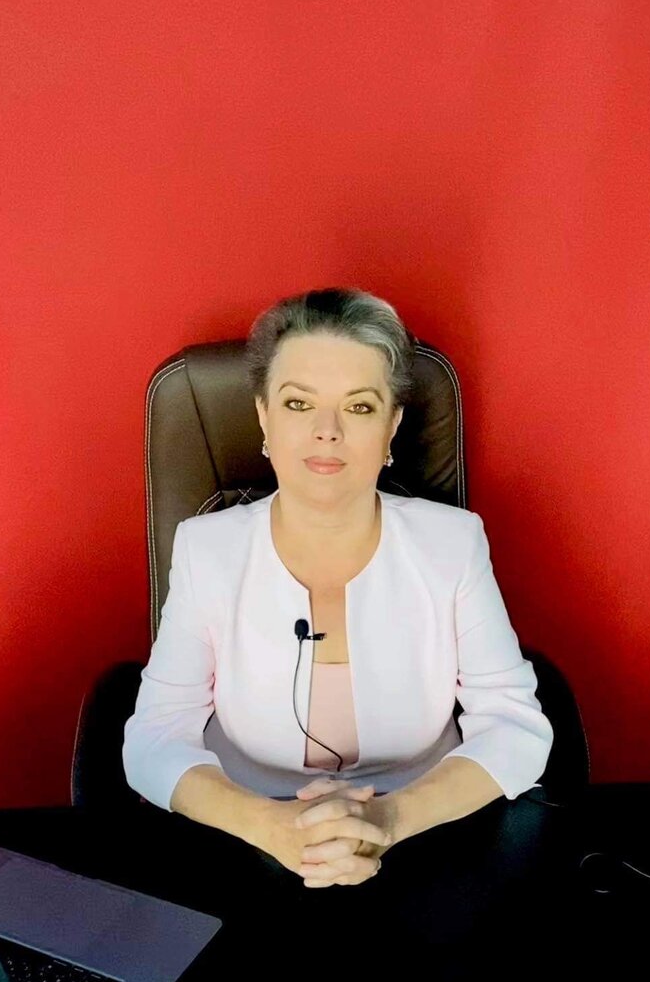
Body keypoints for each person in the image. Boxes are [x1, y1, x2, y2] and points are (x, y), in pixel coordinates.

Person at [122, 286, 554, 892]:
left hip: (428, 837)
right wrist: (272, 827)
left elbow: (515, 727)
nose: (326, 431)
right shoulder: (207, 549)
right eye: (299, 403)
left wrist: (387, 820)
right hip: (246, 841)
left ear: (391, 426)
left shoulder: (452, 544)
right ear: (264, 416)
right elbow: (153, 740)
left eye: (359, 407)